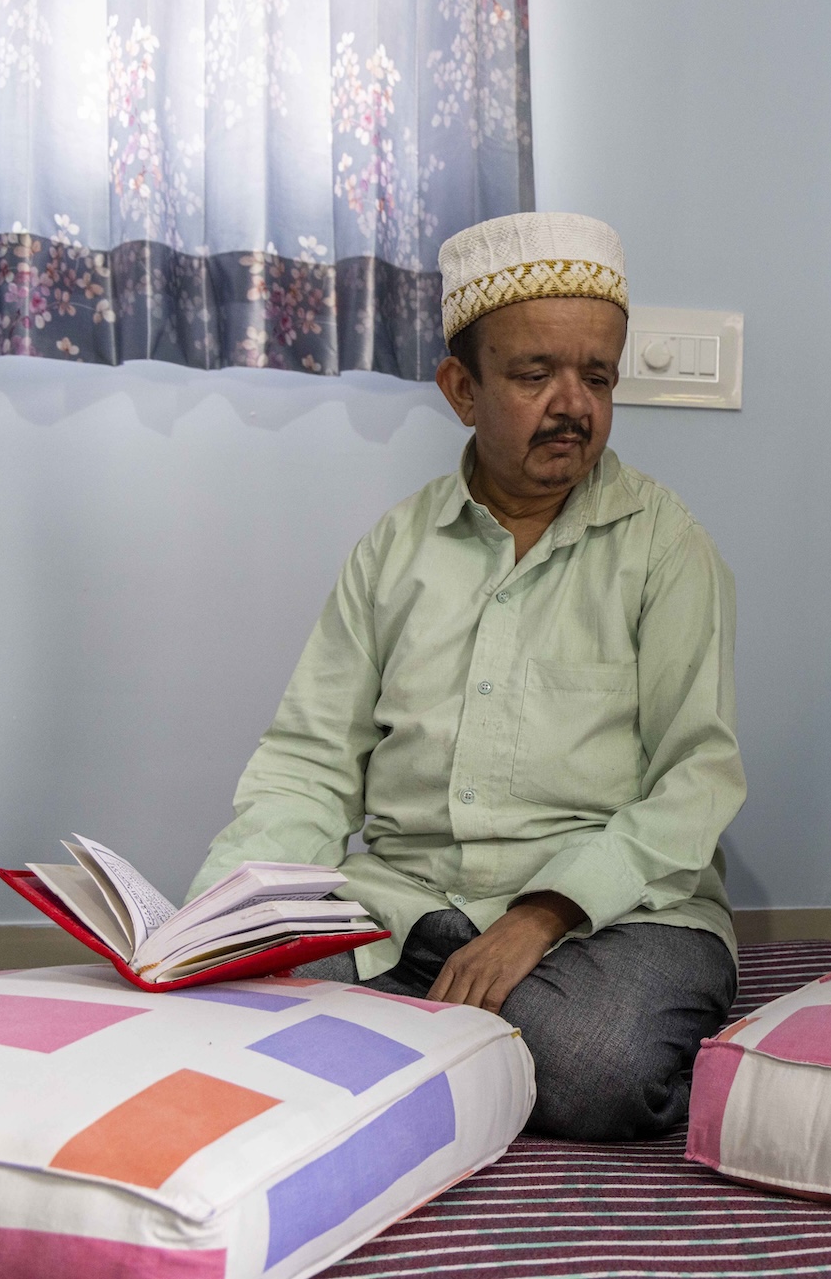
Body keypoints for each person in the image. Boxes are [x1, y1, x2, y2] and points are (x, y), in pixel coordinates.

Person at [186, 212, 745, 1140]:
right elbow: (310, 761)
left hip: (608, 916)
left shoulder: (666, 547)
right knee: (229, 1000)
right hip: (406, 903)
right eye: (535, 374)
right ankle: (455, 1031)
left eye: (597, 377)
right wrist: (221, 910)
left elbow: (698, 780)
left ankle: (425, 1036)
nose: (573, 405)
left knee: (595, 1063)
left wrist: (541, 915)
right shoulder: (394, 551)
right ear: (461, 389)